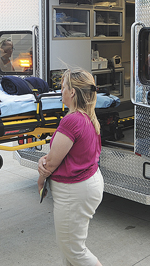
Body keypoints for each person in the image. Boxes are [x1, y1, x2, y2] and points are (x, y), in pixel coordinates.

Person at [37, 69, 104, 266]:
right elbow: (65, 153)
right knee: (70, 253)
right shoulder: (87, 117)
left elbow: (51, 163)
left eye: (63, 87)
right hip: (87, 184)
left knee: (74, 251)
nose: (61, 91)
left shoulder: (72, 120)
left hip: (73, 191)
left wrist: (41, 177)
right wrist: (45, 159)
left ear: (72, 92)